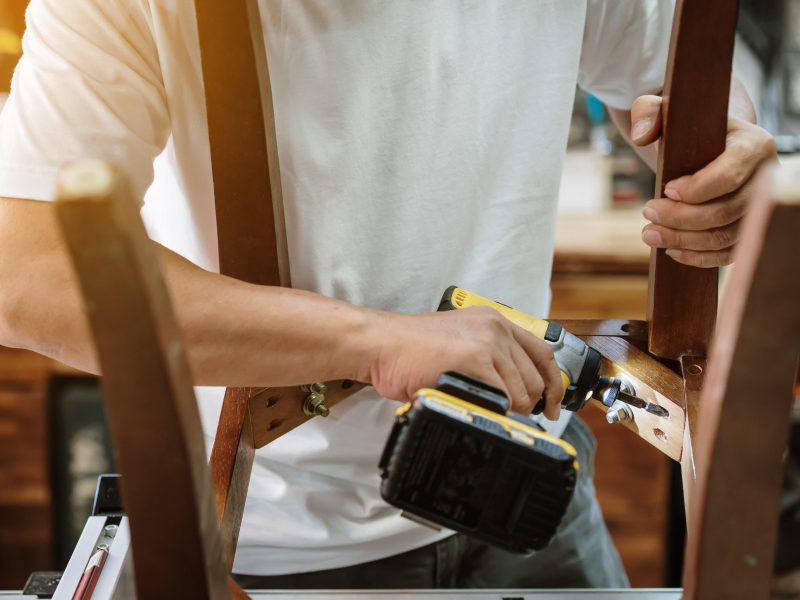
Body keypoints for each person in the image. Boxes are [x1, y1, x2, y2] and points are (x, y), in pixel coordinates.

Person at [0, 0, 775, 589]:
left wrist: (726, 160)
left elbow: (674, 84)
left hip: (532, 486)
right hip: (274, 542)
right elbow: (26, 276)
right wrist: (374, 342)